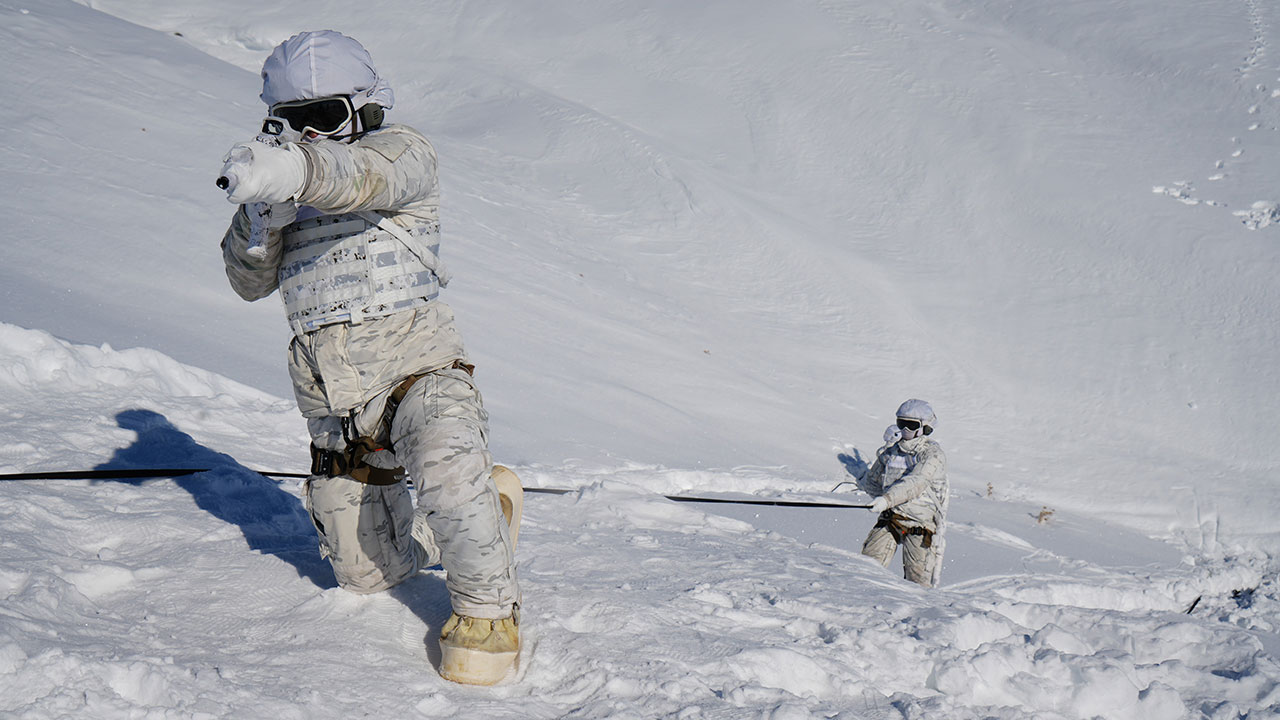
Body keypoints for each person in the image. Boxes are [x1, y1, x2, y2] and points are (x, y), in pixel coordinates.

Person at [216, 30, 521, 685]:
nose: (310, 139)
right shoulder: (286, 188)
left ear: (364, 108)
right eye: (293, 125)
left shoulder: (402, 153)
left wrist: (298, 170)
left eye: (324, 120)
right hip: (336, 403)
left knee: (443, 462)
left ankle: (488, 614)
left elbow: (362, 177)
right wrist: (260, 217)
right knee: (367, 574)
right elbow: (247, 283)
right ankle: (482, 517)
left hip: (419, 371)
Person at [860, 399, 948, 588]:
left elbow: (916, 482)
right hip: (891, 519)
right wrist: (885, 452)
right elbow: (872, 483)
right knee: (865, 571)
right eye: (902, 423)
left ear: (925, 428)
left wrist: (887, 499)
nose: (906, 430)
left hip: (920, 525)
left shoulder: (932, 455)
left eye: (912, 425)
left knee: (918, 586)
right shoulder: (893, 451)